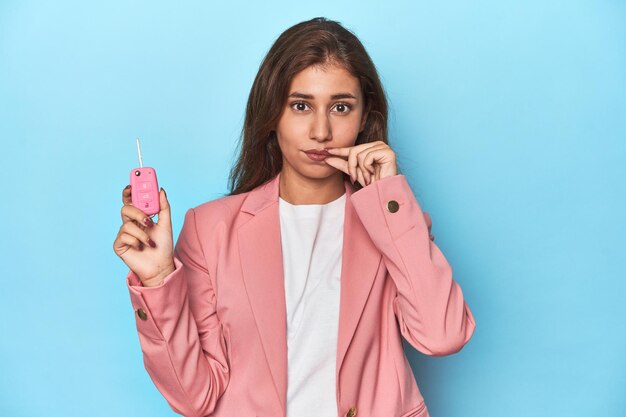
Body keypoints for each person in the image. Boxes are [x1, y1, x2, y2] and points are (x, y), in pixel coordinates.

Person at [113, 16, 476, 417]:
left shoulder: (392, 222)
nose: (321, 131)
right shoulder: (210, 230)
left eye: (341, 107)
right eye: (301, 106)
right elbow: (193, 398)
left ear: (363, 117)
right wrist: (157, 279)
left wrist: (389, 198)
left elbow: (443, 336)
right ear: (273, 114)